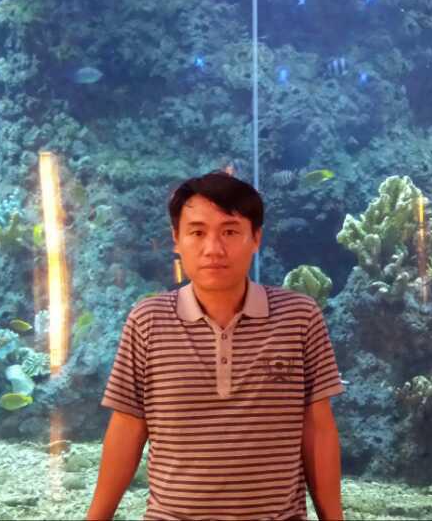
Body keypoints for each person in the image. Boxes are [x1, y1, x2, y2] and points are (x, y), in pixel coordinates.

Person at [87, 171, 345, 520]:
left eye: (230, 232)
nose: (213, 249)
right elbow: (128, 426)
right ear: (176, 239)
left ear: (256, 238)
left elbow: (318, 429)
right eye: (197, 232)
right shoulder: (147, 320)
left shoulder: (300, 316)